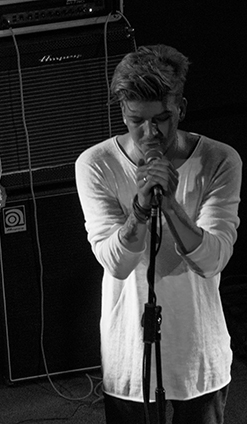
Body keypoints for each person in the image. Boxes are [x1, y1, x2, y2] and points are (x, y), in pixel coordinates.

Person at [75, 44, 242, 423]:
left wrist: (170, 204)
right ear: (123, 112)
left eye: (162, 118)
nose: (150, 133)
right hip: (130, 355)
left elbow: (213, 260)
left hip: (199, 353)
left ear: (181, 107)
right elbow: (117, 264)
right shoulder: (95, 165)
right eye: (137, 120)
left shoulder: (220, 160)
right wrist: (139, 209)